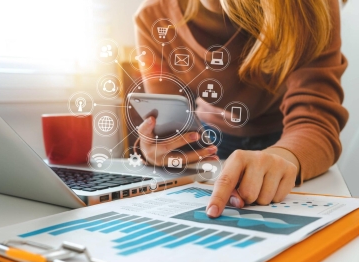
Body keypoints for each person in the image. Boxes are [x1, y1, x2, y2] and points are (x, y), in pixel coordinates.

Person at [133, 0, 348, 218]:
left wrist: (283, 156)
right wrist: (154, 150)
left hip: (289, 137)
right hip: (209, 140)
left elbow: (316, 118)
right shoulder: (153, 16)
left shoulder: (311, 6)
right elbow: (167, 122)